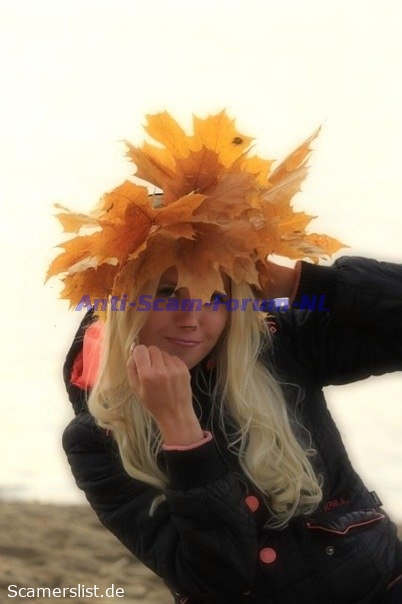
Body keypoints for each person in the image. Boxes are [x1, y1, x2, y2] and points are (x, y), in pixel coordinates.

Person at [50, 111, 402, 603]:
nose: (192, 319)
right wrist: (182, 434)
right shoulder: (97, 438)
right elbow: (216, 581)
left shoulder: (278, 346)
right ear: (127, 302)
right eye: (168, 294)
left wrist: (299, 282)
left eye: (216, 296)